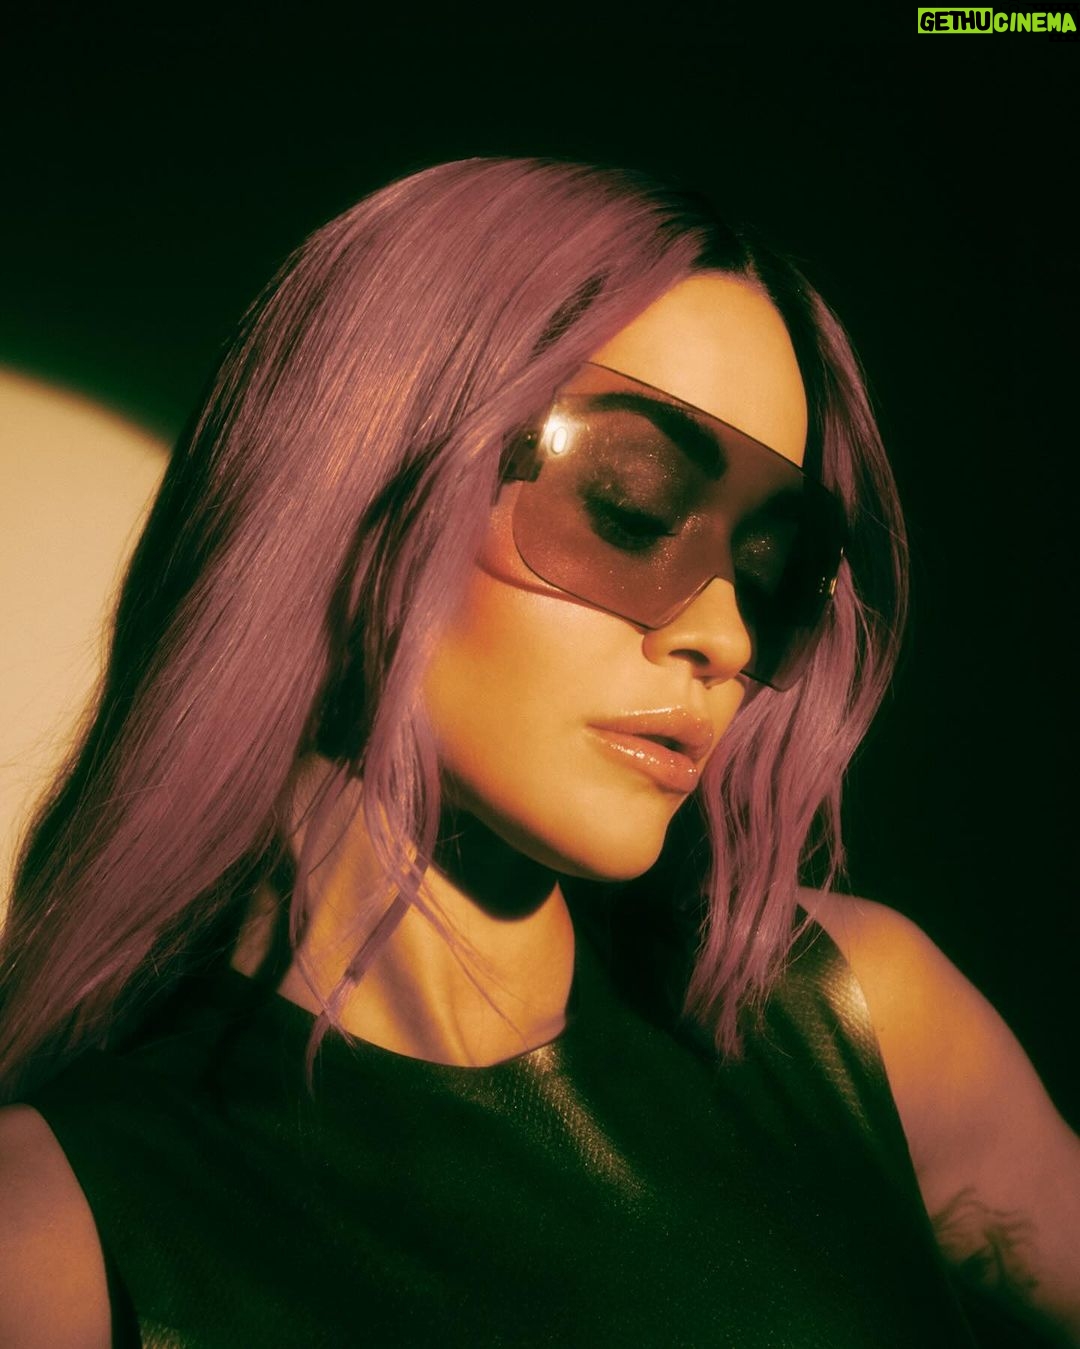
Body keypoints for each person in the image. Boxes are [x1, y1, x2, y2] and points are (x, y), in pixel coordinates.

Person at [0, 156, 1076, 1348]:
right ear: (357, 483)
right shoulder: (57, 1237)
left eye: (772, 568)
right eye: (629, 509)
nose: (723, 638)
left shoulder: (857, 1028)